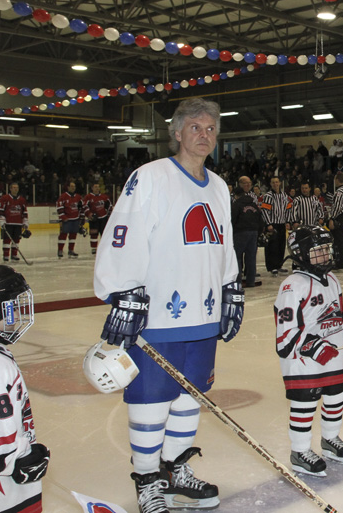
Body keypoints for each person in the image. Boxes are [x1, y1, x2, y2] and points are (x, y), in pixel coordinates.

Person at [92, 97, 243, 513]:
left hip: (204, 314)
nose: (204, 135)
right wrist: (123, 291)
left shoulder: (218, 185)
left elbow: (224, 243)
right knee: (151, 400)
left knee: (190, 397)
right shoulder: (151, 176)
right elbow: (124, 232)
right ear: (176, 132)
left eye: (211, 128)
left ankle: (176, 472)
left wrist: (231, 287)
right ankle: (147, 481)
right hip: (158, 314)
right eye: (195, 127)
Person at [274, 226, 343, 477]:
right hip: (303, 360)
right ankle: (299, 451)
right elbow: (285, 336)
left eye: (326, 249)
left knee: (336, 397)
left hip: (332, 355)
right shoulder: (292, 285)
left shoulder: (333, 280)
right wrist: (315, 346)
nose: (325, 254)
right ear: (301, 253)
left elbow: (337, 317)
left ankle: (330, 439)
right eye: (319, 250)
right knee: (305, 403)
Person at [0, 266, 50, 513]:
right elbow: (2, 441)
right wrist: (21, 459)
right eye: (13, 305)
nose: (18, 311)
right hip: (7, 493)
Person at [231, 185, 263, 288]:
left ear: (236, 195)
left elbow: (232, 218)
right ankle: (250, 281)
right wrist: (259, 231)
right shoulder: (253, 204)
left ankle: (238, 280)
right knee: (251, 257)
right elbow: (260, 217)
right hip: (253, 232)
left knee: (237, 257)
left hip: (240, 232)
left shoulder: (236, 204)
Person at [260, 176, 291, 276]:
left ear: (280, 183)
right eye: (273, 182)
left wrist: (288, 221)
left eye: (277, 182)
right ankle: (272, 267)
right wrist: (268, 224)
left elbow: (287, 209)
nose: (275, 184)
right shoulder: (268, 196)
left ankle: (279, 265)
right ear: (271, 184)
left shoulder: (284, 195)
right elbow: (265, 211)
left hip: (281, 223)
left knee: (281, 245)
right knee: (272, 246)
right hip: (272, 224)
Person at [0, 182, 28, 263]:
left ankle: (14, 254)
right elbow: (0, 210)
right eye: (14, 187)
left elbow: (24, 212)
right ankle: (6, 255)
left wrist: (25, 222)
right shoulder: (4, 198)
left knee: (16, 239)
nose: (16, 189)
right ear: (10, 189)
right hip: (8, 223)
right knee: (7, 239)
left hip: (18, 223)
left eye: (17, 187)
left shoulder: (22, 199)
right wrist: (1, 220)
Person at [328, 173, 343, 270]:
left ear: (337, 179)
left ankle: (339, 262)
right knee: (341, 239)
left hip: (339, 217)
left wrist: (332, 218)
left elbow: (337, 207)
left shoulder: (339, 192)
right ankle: (342, 261)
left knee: (337, 240)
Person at [83, 181, 113, 256]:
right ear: (92, 188)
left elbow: (109, 206)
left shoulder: (104, 197)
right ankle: (94, 248)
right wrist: (90, 214)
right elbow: (85, 206)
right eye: (95, 187)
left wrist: (108, 214)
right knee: (94, 234)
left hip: (103, 218)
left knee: (104, 234)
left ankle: (104, 248)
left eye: (98, 187)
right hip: (94, 219)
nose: (97, 188)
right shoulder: (88, 197)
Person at [56, 179, 83, 258]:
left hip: (75, 219)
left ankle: (71, 250)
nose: (73, 188)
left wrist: (81, 217)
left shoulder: (78, 197)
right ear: (68, 187)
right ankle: (60, 250)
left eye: (74, 186)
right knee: (63, 235)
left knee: (73, 235)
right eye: (71, 186)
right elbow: (59, 207)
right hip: (66, 220)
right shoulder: (63, 196)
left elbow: (81, 208)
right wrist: (63, 217)